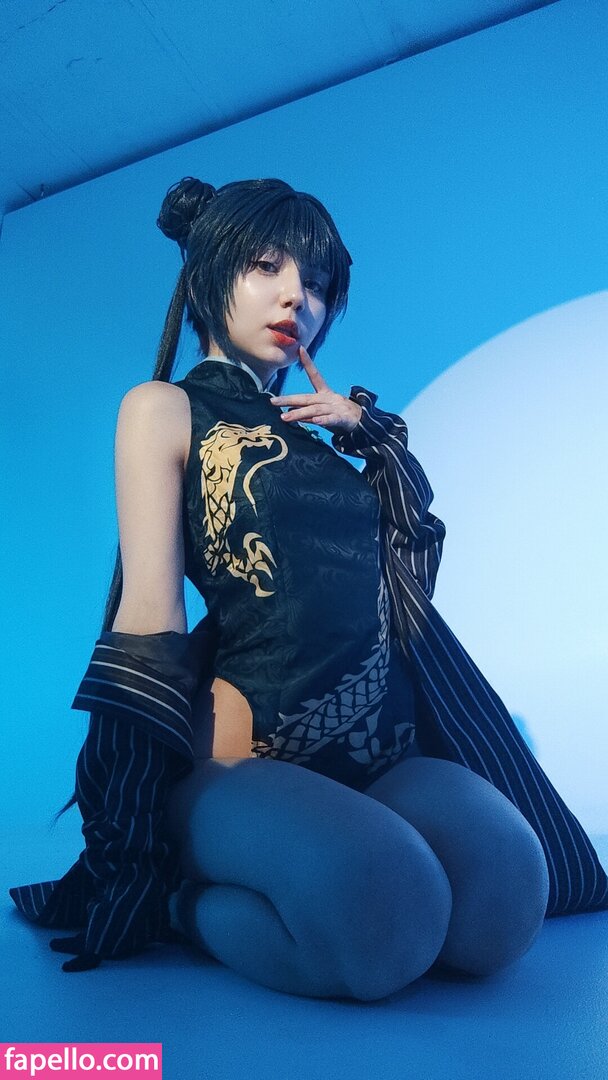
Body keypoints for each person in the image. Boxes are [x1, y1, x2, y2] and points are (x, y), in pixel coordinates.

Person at [9, 178, 608, 998]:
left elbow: (406, 581)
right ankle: (181, 903)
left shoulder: (322, 435)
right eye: (267, 266)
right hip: (247, 760)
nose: (299, 296)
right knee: (386, 924)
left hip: (379, 754)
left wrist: (368, 434)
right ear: (207, 273)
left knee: (507, 903)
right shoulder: (164, 407)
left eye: (319, 283)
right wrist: (127, 815)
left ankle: (344, 858)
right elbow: (150, 608)